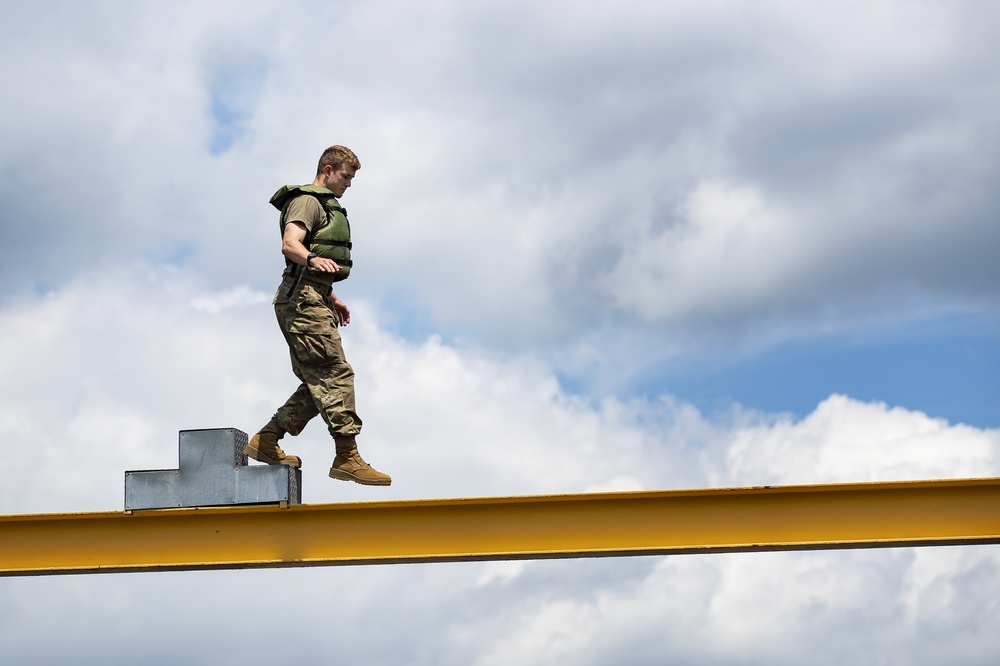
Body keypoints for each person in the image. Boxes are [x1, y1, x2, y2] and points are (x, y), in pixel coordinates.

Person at [244, 144, 390, 486]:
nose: (349, 184)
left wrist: (331, 295)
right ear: (327, 169)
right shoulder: (307, 201)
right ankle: (347, 455)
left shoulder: (325, 204)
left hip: (314, 297)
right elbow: (290, 244)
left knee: (320, 382)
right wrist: (311, 260)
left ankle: (267, 440)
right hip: (302, 302)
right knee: (335, 374)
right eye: (345, 176)